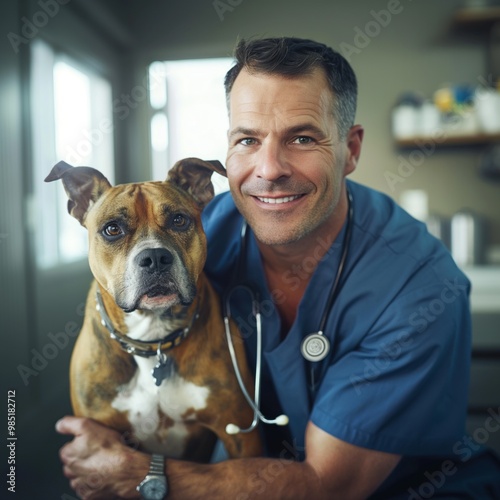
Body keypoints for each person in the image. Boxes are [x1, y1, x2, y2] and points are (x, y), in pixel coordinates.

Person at [56, 37, 500, 499]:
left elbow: (328, 486)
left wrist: (144, 476)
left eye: (302, 137)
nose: (269, 169)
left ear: (350, 150)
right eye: (247, 139)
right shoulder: (209, 229)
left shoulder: (417, 288)